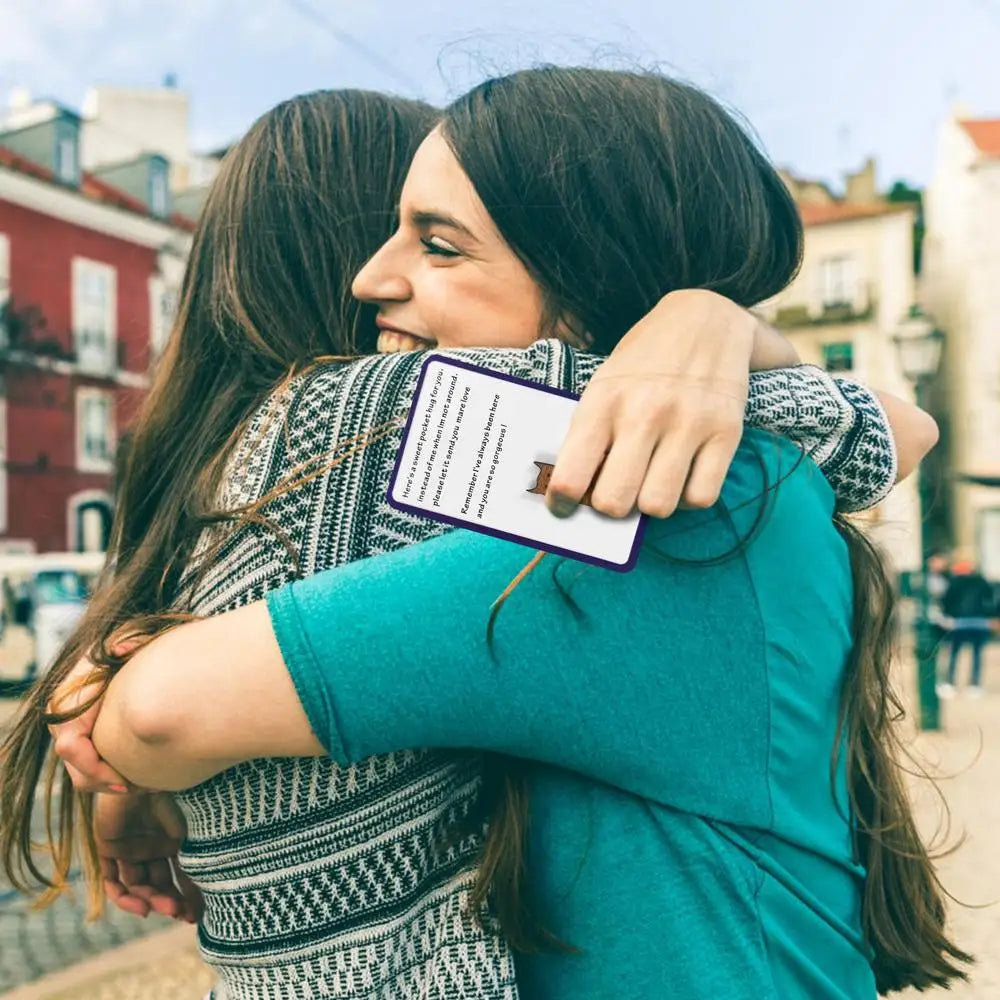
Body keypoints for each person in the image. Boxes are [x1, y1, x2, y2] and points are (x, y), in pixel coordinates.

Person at [36, 68, 961, 1000]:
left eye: (439, 243)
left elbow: (157, 709)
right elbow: (890, 427)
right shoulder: (677, 485)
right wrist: (712, 325)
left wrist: (118, 714)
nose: (373, 281)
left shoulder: (649, 509)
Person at [938, 559, 997, 697]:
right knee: (977, 653)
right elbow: (991, 599)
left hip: (959, 622)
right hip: (979, 621)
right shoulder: (982, 581)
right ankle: (975, 685)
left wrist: (948, 616)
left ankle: (950, 683)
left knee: (954, 652)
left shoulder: (954, 582)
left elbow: (947, 600)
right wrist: (991, 616)